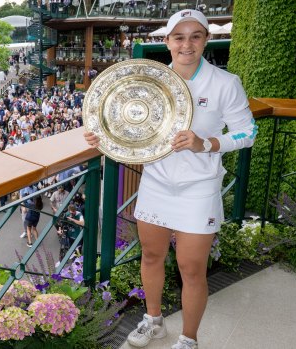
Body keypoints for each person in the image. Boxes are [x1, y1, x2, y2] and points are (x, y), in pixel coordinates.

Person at [84, 10, 257, 349]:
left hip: (199, 187)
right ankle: (153, 321)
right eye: (179, 37)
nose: (187, 44)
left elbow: (248, 132)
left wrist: (205, 143)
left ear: (206, 40)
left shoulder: (225, 83)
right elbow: (126, 125)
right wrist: (101, 137)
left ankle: (188, 339)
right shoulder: (149, 79)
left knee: (191, 269)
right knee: (150, 256)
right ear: (167, 42)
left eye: (195, 36)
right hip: (156, 183)